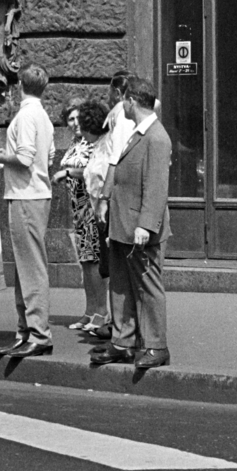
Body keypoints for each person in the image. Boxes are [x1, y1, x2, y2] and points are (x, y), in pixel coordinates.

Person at [90, 77, 172, 374]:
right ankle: (123, 342)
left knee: (148, 286)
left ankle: (156, 346)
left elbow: (156, 187)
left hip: (140, 228)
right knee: (122, 285)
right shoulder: (139, 133)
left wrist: (146, 225)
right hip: (122, 224)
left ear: (132, 102)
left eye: (124, 100)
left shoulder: (156, 137)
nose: (121, 104)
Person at [0, 64, 55, 359]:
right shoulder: (43, 116)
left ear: (19, 86)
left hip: (26, 196)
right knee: (27, 265)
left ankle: (38, 333)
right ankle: (26, 330)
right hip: (35, 194)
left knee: (31, 266)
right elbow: (46, 156)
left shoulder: (25, 115)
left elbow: (24, 157)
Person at [79, 71, 139, 342]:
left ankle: (121, 326)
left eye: (110, 91)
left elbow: (114, 162)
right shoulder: (121, 116)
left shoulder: (119, 116)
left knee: (117, 266)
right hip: (115, 201)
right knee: (114, 265)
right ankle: (118, 323)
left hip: (116, 202)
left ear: (117, 92)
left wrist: (104, 199)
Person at [53, 99, 108, 333]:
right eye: (70, 120)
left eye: (78, 119)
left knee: (94, 260)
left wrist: (67, 172)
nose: (75, 123)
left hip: (91, 206)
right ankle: (89, 312)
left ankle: (100, 313)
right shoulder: (75, 143)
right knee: (85, 262)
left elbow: (92, 169)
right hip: (77, 208)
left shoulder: (94, 141)